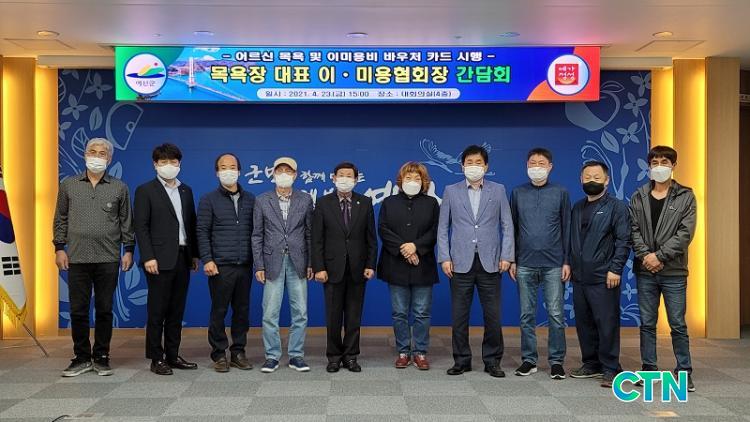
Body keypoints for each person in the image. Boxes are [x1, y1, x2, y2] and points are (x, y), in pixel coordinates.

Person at [54, 137, 135, 377]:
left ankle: (101, 356)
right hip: (77, 257)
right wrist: (59, 248)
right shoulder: (69, 185)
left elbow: (126, 221)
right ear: (84, 154)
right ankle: (81, 357)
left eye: (102, 153)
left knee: (104, 309)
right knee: (78, 310)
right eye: (92, 151)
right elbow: (60, 218)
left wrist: (129, 250)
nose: (96, 156)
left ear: (109, 159)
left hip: (108, 258)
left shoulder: (119, 187)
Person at [437, 144, 514, 378]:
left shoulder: (498, 190)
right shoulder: (451, 191)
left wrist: (507, 256)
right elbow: (443, 227)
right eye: (469, 162)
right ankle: (461, 360)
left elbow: (507, 225)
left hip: (491, 262)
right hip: (459, 262)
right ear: (462, 166)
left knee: (493, 316)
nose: (473, 166)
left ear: (486, 166)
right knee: (459, 316)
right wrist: (444, 257)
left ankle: (492, 361)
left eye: (478, 162)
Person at [629, 146, 696, 392]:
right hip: (645, 270)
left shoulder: (686, 196)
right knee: (647, 323)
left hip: (673, 271)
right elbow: (633, 230)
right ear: (649, 166)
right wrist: (646, 256)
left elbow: (685, 234)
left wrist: (659, 256)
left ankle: (684, 371)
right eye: (655, 162)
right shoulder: (638, 196)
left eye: (664, 162)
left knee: (677, 323)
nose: (659, 166)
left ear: (673, 165)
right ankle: (649, 369)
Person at [134, 143, 199, 376]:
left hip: (183, 256)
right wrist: (148, 256)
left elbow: (191, 223)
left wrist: (194, 254)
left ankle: (173, 354)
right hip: (158, 260)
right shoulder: (145, 190)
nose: (169, 166)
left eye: (173, 161)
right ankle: (156, 357)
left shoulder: (186, 190)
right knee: (157, 311)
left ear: (179, 164)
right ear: (155, 164)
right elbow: (141, 226)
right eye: (163, 162)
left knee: (176, 310)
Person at [509, 147, 571, 379]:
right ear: (527, 166)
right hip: (524, 263)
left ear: (550, 167)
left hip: (554, 264)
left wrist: (567, 261)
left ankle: (556, 361)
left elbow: (567, 228)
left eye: (541, 163)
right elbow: (512, 228)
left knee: (556, 315)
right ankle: (529, 359)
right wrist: (512, 259)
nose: (537, 167)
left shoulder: (560, 192)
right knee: (526, 315)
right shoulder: (517, 193)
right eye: (532, 163)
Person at [569, 160, 630, 388]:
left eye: (596, 177)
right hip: (579, 277)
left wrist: (615, 269)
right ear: (581, 180)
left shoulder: (617, 207)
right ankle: (591, 363)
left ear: (607, 180)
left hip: (604, 276)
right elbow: (572, 240)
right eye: (587, 177)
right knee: (584, 323)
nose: (591, 181)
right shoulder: (577, 207)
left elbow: (623, 240)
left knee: (606, 323)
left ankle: (611, 367)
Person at [311, 162, 377, 373]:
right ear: (333, 178)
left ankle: (350, 356)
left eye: (349, 176)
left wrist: (370, 264)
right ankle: (333, 356)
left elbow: (371, 238)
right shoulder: (323, 203)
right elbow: (317, 239)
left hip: (358, 268)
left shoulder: (365, 202)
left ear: (356, 180)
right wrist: (319, 267)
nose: (345, 179)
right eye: (341, 175)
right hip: (331, 269)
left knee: (353, 316)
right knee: (333, 316)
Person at [252, 157, 314, 373]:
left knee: (300, 312)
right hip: (272, 262)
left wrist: (311, 262)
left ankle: (296, 355)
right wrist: (259, 265)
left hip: (299, 261)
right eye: (280, 171)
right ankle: (272, 356)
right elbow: (257, 235)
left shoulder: (305, 199)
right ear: (273, 174)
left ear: (295, 175)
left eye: (288, 171)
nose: (284, 175)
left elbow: (309, 233)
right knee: (270, 313)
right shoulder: (262, 200)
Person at [377, 162, 439, 370]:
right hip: (395, 264)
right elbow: (383, 229)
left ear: (424, 182)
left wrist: (416, 247)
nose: (412, 182)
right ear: (401, 180)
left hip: (423, 264)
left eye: (417, 178)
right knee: (399, 312)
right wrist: (404, 248)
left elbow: (435, 231)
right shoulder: (389, 202)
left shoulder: (431, 203)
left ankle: (420, 352)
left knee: (422, 312)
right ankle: (403, 351)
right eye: (408, 178)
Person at [197, 153, 255, 372]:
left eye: (232, 167)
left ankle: (238, 352)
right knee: (219, 311)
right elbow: (202, 231)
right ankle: (219, 354)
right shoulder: (208, 199)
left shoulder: (251, 199)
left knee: (242, 311)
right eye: (223, 167)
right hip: (220, 266)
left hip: (245, 265)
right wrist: (207, 259)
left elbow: (257, 232)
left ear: (239, 171)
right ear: (217, 172)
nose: (228, 171)